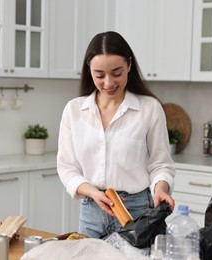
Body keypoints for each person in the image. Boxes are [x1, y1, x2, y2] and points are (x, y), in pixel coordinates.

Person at [56, 31, 176, 239]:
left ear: (129, 65)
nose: (109, 83)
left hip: (137, 213)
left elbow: (160, 164)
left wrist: (161, 188)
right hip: (92, 211)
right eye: (99, 75)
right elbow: (67, 167)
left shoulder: (149, 109)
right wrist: (93, 193)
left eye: (117, 73)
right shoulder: (73, 110)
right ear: (89, 70)